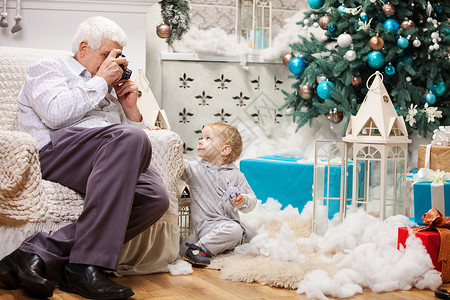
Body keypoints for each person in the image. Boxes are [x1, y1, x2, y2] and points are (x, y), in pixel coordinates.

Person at [0, 16, 169, 299]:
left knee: (155, 197)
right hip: (57, 151)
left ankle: (38, 251)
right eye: (106, 55)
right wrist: (101, 81)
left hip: (104, 152)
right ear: (83, 49)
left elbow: (130, 148)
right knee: (129, 138)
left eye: (117, 58)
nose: (112, 64)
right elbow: (55, 114)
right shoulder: (49, 68)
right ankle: (84, 266)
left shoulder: (109, 88)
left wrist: (130, 110)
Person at [181, 122, 257, 267]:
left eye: (208, 138)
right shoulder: (195, 170)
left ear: (225, 149)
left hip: (230, 223)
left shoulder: (236, 175)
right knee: (234, 231)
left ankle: (228, 244)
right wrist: (161, 136)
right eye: (201, 137)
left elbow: (252, 200)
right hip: (209, 227)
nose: (200, 140)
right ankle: (197, 248)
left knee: (254, 237)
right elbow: (176, 162)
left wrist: (244, 200)